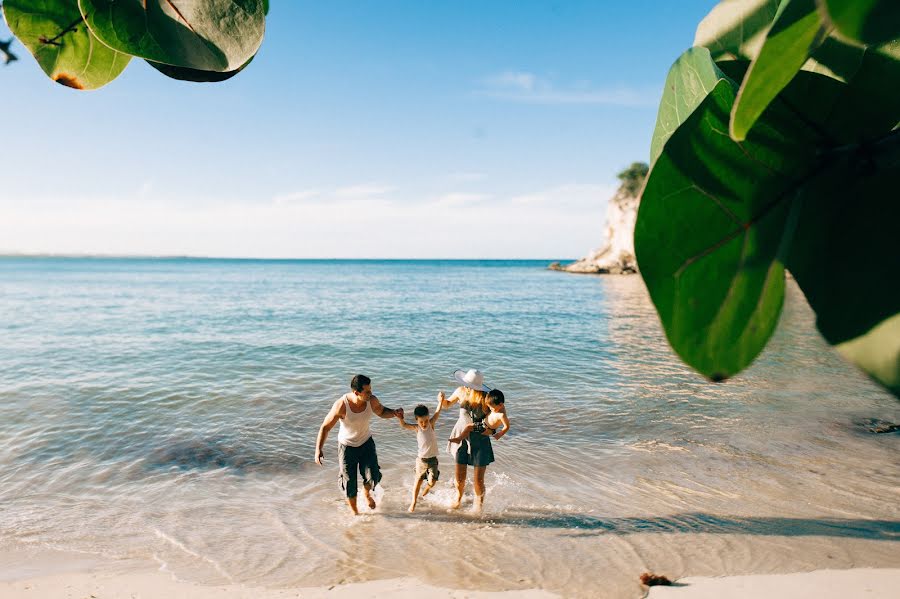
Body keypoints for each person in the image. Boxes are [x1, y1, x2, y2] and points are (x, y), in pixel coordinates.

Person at [314, 374, 404, 515]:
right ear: (356, 392)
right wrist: (318, 449)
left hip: (366, 442)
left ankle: (366, 493)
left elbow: (381, 411)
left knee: (373, 475)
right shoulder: (341, 405)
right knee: (350, 482)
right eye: (367, 391)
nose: (371, 393)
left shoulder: (371, 400)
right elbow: (325, 427)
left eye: (371, 390)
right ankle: (355, 514)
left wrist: (394, 413)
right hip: (347, 446)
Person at [445, 369, 498, 513]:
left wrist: (492, 431)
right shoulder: (460, 391)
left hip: (480, 439)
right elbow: (447, 404)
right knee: (459, 476)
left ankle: (478, 508)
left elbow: (496, 418)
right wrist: (442, 400)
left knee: (478, 480)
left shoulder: (486, 398)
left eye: (469, 385)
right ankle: (458, 498)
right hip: (461, 436)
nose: (466, 386)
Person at [397, 391, 446, 512]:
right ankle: (413, 502)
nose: (424, 424)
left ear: (428, 418)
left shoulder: (431, 424)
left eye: (426, 420)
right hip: (421, 461)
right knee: (418, 481)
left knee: (432, 481)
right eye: (421, 421)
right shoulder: (416, 428)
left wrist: (440, 401)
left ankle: (427, 490)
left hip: (433, 460)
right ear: (417, 420)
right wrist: (400, 417)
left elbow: (438, 412)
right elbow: (403, 425)